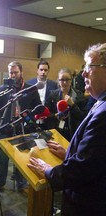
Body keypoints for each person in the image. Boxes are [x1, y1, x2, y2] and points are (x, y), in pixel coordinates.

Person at [28, 43, 106, 216]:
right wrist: (69, 153)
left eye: (89, 67)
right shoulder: (101, 101)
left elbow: (82, 169)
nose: (83, 73)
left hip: (88, 204)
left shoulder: (104, 112)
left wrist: (48, 171)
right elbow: (95, 156)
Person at [0, 61, 41, 195]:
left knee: (21, 157)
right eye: (10, 72)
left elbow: (37, 107)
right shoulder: (3, 89)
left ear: (21, 72)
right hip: (5, 130)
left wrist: (29, 119)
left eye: (15, 72)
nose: (13, 75)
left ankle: (22, 184)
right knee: (2, 159)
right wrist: (3, 121)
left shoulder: (30, 89)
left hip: (23, 129)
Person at [44, 68, 86, 141]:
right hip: (56, 130)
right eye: (62, 80)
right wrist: (55, 115)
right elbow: (46, 113)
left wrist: (73, 105)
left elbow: (83, 117)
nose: (64, 82)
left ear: (71, 80)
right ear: (58, 80)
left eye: (67, 80)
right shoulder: (52, 95)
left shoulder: (79, 95)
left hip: (73, 131)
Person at [27, 60, 58, 129]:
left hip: (48, 120)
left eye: (45, 70)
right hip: (32, 119)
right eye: (41, 70)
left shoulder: (54, 85)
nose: (43, 72)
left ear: (48, 71)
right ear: (37, 71)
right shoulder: (29, 84)